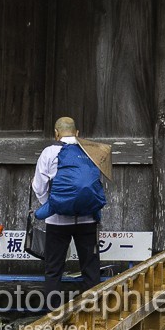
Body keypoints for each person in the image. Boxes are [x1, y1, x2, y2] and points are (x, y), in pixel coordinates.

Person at [33, 116, 103, 299]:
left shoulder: (49, 153)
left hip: (56, 221)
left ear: (56, 133)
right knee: (90, 268)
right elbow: (96, 183)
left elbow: (39, 186)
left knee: (54, 269)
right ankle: (92, 313)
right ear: (77, 133)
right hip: (87, 218)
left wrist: (54, 205)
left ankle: (52, 316)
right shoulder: (91, 151)